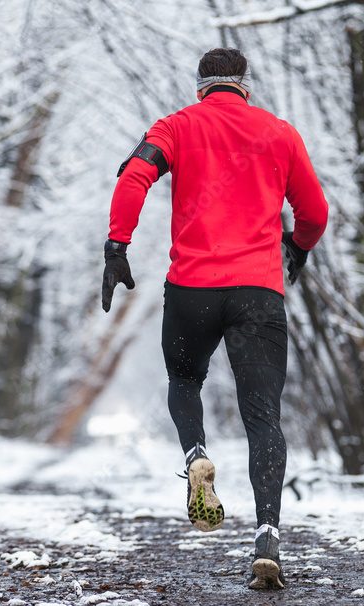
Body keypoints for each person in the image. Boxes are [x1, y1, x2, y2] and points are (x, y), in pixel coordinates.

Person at [100, 47, 328, 590]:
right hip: (257, 293)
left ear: (201, 86)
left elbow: (135, 174)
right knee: (263, 418)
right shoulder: (280, 133)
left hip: (192, 288)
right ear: (245, 86)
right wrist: (297, 246)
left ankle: (196, 455)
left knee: (184, 380)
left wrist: (117, 245)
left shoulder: (176, 127)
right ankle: (267, 535)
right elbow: (314, 212)